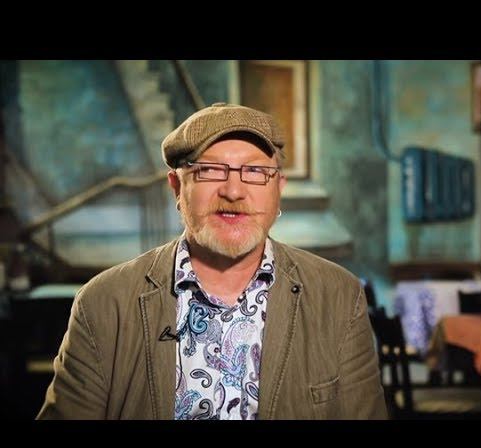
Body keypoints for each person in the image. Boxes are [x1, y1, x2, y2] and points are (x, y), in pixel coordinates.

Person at [37, 102, 387, 420]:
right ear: (177, 187)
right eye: (209, 170)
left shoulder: (338, 297)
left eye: (254, 172)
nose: (233, 191)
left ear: (278, 188)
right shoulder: (103, 303)